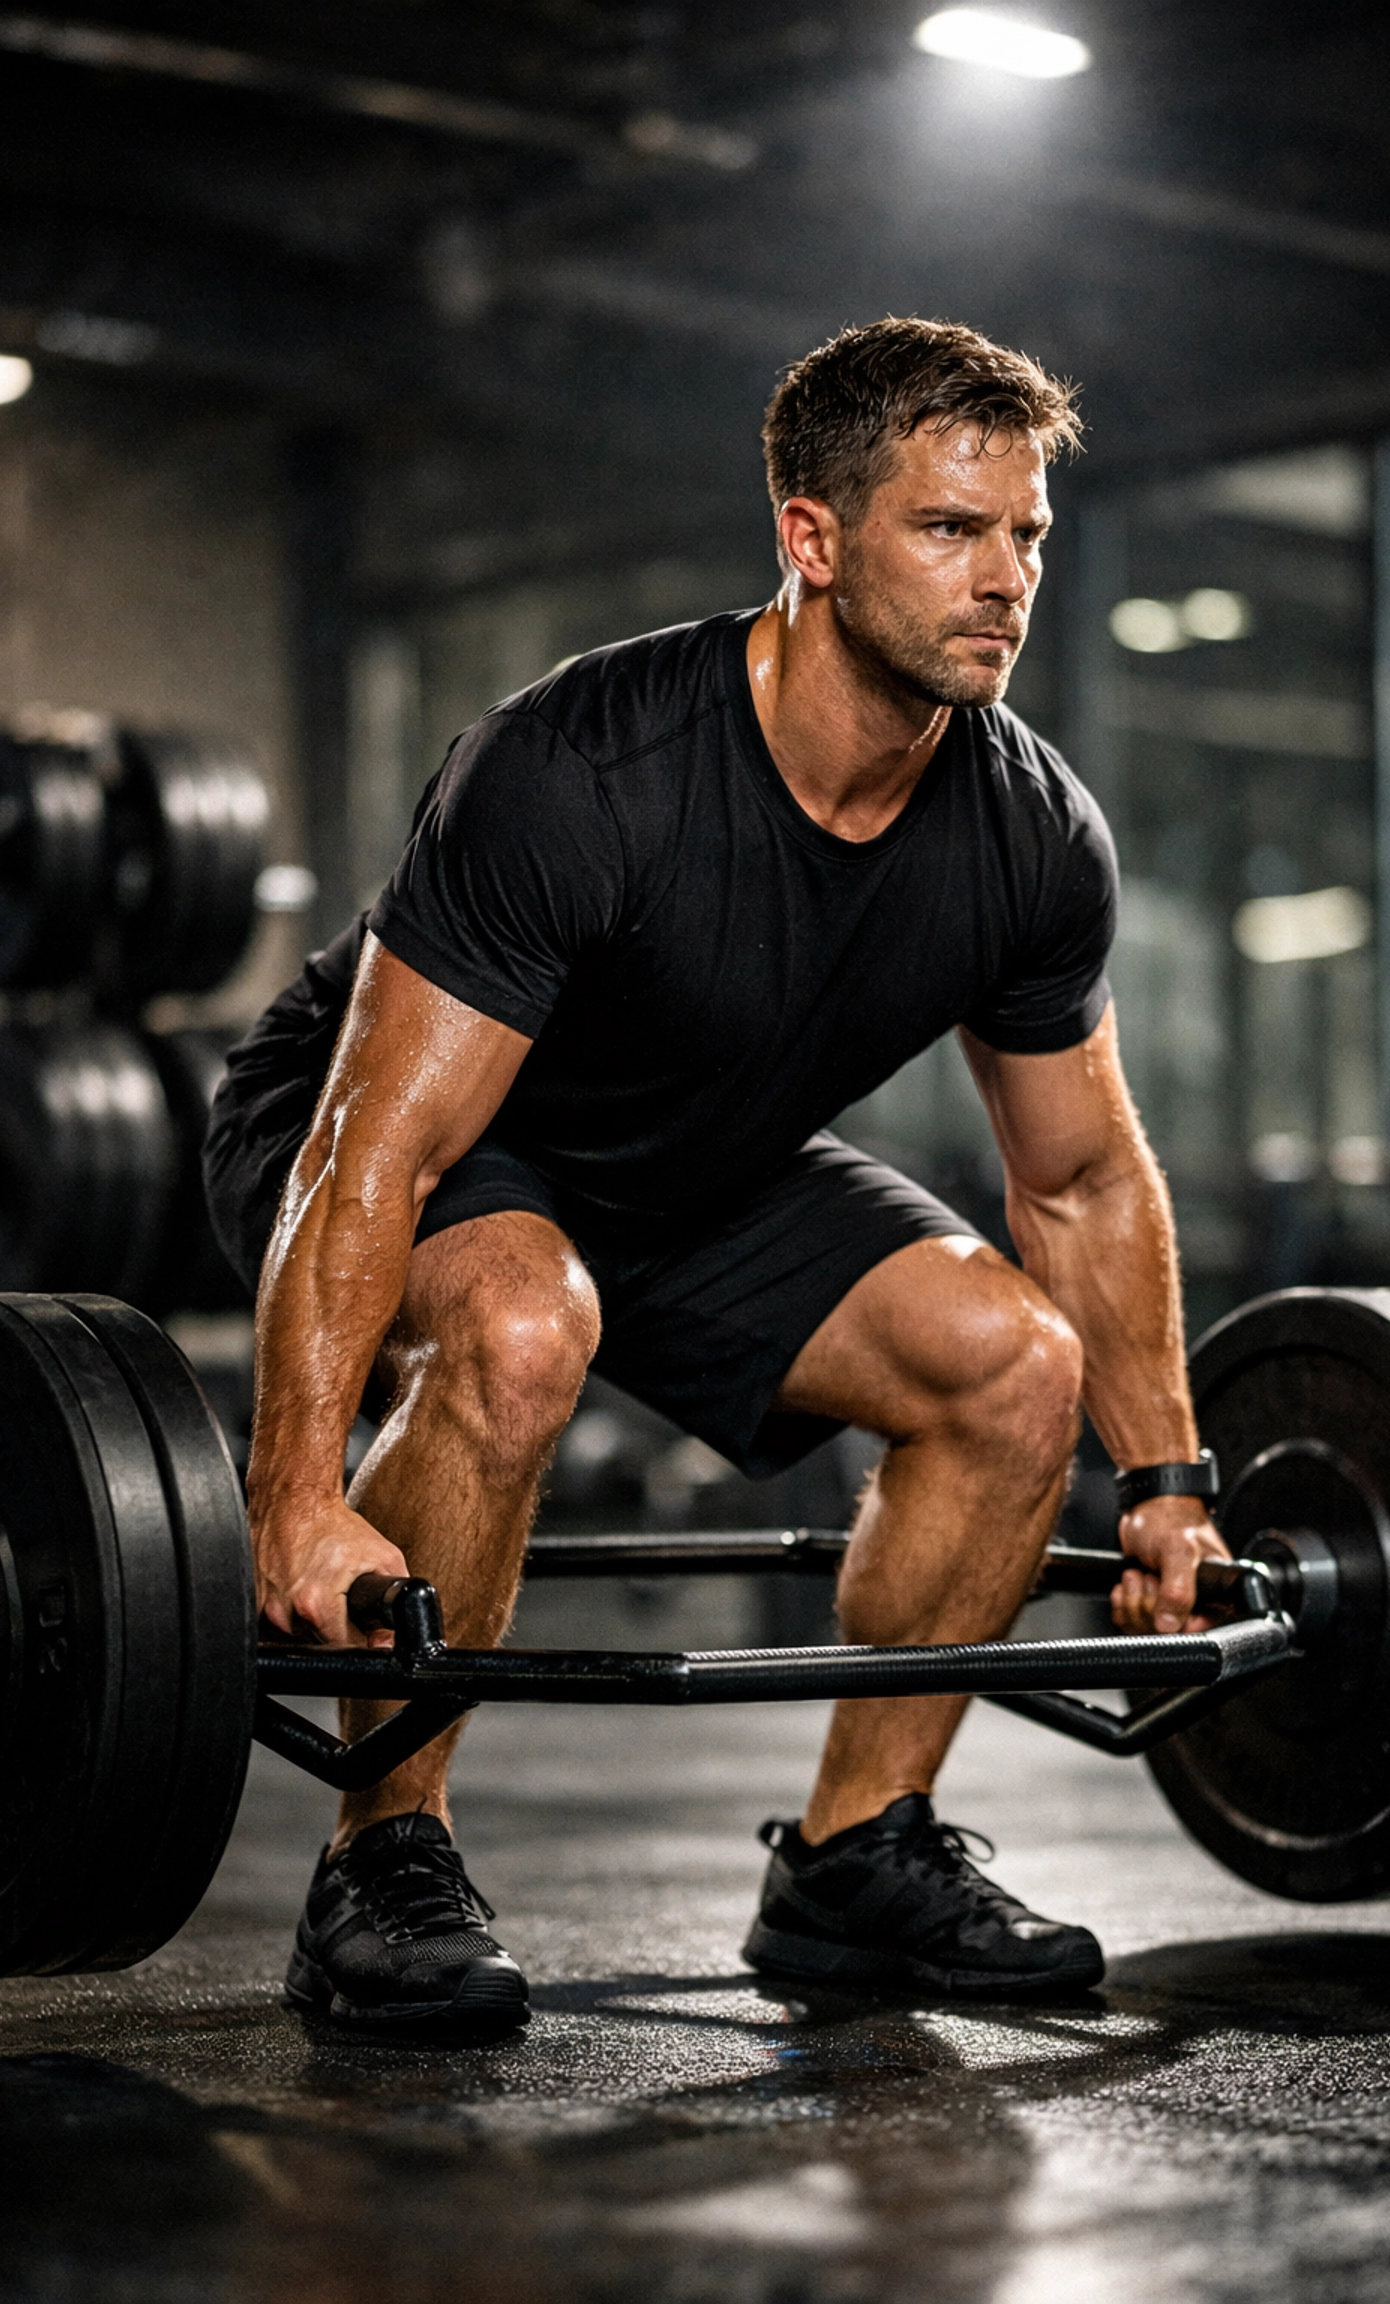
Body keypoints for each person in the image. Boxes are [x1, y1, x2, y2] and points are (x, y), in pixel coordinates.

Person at [206, 316, 1228, 2036]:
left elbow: (1084, 1188)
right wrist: (295, 1492)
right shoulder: (586, 768)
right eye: (948, 530)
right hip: (379, 1131)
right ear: (812, 541)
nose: (1005, 580)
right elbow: (377, 1146)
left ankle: (853, 1861)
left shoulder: (1031, 834)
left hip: (694, 1162)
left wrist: (1168, 1482)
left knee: (1013, 1367)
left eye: (1028, 533)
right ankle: (382, 1860)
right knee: (524, 1330)